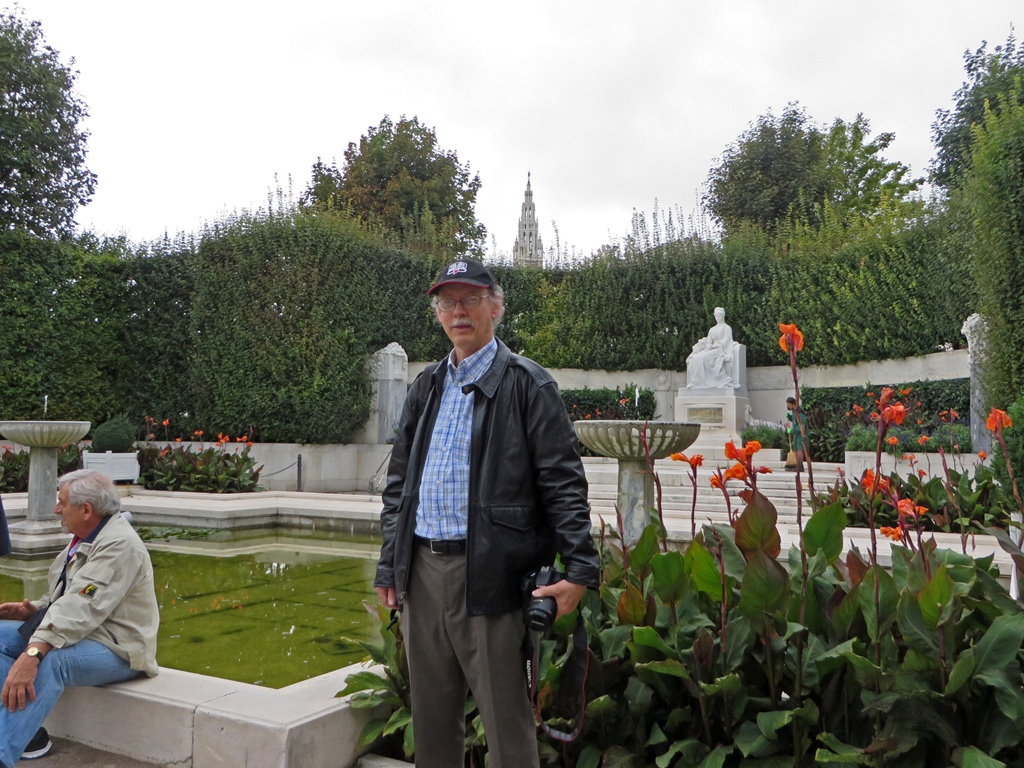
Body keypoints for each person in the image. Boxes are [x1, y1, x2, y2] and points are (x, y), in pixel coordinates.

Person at [374, 259, 600, 768]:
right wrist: (390, 564)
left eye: (471, 300)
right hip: (424, 577)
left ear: (495, 307)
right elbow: (399, 487)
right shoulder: (426, 385)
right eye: (448, 302)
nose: (459, 312)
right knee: (431, 726)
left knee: (508, 731)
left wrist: (581, 569)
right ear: (437, 314)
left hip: (494, 576)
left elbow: (563, 483)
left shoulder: (529, 385)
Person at [0, 469, 159, 766]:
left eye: (61, 502)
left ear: (86, 510)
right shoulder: (85, 536)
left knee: (52, 659)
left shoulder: (119, 545)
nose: (56, 509)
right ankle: (25, 734)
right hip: (84, 632)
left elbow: (82, 605)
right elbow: (70, 595)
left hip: (119, 647)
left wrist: (32, 653)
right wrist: (34, 609)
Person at [686, 307, 734, 389]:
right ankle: (696, 382)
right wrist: (708, 345)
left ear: (723, 316)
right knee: (694, 358)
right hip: (710, 349)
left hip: (720, 349)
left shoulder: (727, 328)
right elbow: (709, 340)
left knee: (701, 358)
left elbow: (726, 341)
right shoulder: (712, 329)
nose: (717, 318)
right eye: (716, 316)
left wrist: (715, 345)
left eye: (719, 316)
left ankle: (700, 382)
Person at [786, 396, 809, 471]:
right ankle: (796, 464)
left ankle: (800, 466)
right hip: (796, 434)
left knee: (800, 449)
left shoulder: (800, 412)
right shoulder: (793, 411)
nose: (788, 407)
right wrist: (789, 417)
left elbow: (802, 425)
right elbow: (795, 420)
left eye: (789, 405)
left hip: (801, 434)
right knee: (795, 448)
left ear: (793, 404)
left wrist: (792, 431)